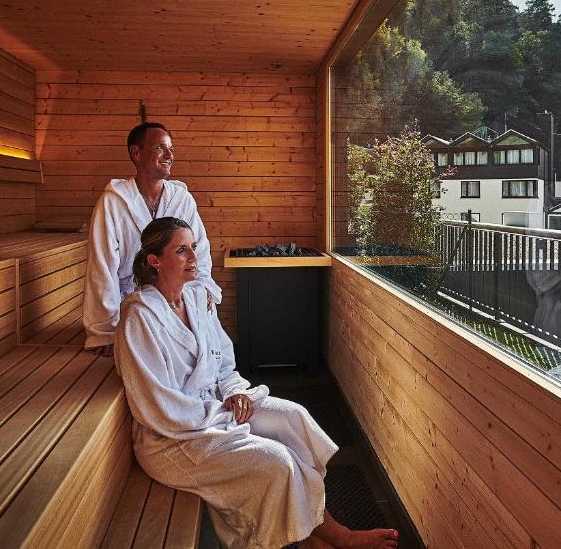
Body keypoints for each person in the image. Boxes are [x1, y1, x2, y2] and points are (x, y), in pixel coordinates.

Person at [115, 217, 399, 549]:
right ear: (155, 260)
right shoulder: (140, 318)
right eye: (181, 250)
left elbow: (222, 356)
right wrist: (222, 415)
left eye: (193, 247)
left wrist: (234, 391)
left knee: (293, 418)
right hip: (173, 438)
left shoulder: (195, 299)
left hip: (215, 407)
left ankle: (313, 535)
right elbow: (158, 408)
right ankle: (334, 537)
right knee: (276, 461)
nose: (193, 257)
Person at [81, 122, 220, 352]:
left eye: (171, 149)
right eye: (160, 148)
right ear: (136, 153)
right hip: (133, 302)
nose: (169, 156)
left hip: (178, 297)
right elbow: (102, 268)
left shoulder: (182, 200)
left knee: (209, 346)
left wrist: (202, 287)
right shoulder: (113, 203)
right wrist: (105, 332)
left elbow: (200, 252)